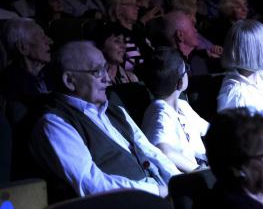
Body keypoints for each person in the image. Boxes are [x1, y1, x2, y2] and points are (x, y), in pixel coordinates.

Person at [31, 41, 179, 198]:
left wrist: (178, 181)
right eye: (98, 72)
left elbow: (151, 152)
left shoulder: (115, 110)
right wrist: (157, 191)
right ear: (69, 80)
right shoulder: (54, 124)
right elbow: (92, 185)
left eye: (106, 69)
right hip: (122, 208)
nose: (108, 79)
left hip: (159, 193)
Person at [142, 47, 209, 172]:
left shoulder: (182, 105)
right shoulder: (160, 112)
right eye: (186, 70)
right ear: (179, 82)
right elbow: (164, 150)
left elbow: (209, 130)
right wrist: (200, 171)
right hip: (190, 179)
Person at [0, 18, 52, 99]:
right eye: (41, 37)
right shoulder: (10, 84)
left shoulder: (54, 72)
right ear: (22, 48)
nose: (50, 41)